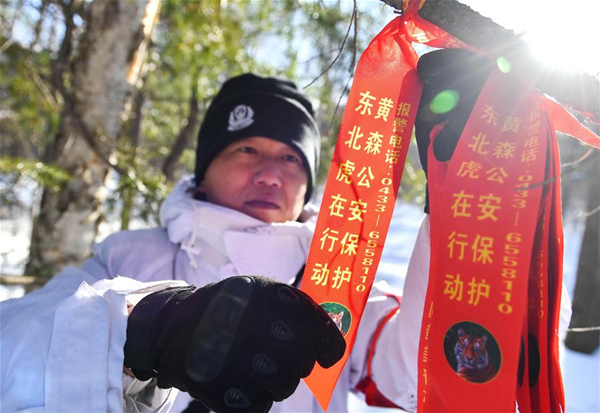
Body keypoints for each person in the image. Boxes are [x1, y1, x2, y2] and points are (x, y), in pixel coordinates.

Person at [1, 56, 573, 413]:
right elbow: (16, 342)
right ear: (204, 166)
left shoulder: (334, 277)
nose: (270, 173)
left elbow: (411, 379)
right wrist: (145, 329)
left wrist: (458, 204)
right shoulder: (130, 256)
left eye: (290, 159)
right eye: (246, 149)